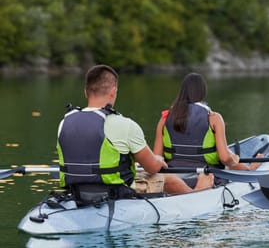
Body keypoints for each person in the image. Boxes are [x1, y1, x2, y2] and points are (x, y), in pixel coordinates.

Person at [56, 64, 213, 201]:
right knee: (170, 179)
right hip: (117, 192)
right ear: (113, 91)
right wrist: (158, 160)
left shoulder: (64, 123)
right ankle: (198, 192)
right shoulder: (125, 125)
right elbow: (152, 168)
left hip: (75, 192)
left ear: (85, 92)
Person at [153, 72, 261, 188]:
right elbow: (225, 158)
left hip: (172, 179)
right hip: (205, 178)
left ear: (182, 92)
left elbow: (156, 159)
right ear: (203, 92)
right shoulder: (213, 118)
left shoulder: (165, 118)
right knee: (229, 159)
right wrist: (245, 167)